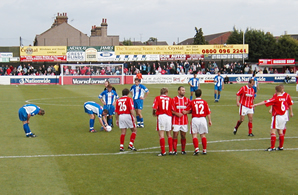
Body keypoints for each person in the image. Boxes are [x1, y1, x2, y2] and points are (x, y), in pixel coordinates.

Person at [253, 85, 293, 151]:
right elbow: (286, 106)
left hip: (277, 116)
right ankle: (281, 147)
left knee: (273, 131)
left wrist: (256, 104)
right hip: (283, 116)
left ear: (276, 91)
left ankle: (272, 147)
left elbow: (266, 102)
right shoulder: (284, 98)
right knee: (280, 131)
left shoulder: (276, 98)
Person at [183, 89, 212, 155]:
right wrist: (210, 120)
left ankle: (196, 149)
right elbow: (208, 112)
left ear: (195, 95)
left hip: (195, 119)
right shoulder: (204, 102)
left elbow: (187, 110)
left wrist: (186, 112)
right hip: (203, 119)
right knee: (203, 135)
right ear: (201, 95)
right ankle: (204, 150)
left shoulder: (192, 102)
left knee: (194, 135)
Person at [152, 87, 174, 156]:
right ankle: (170, 151)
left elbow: (154, 108)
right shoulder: (170, 99)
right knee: (169, 134)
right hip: (169, 117)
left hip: (161, 116)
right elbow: (172, 109)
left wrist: (154, 113)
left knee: (161, 134)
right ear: (166, 93)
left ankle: (163, 152)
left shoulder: (157, 98)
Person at [172, 86, 191, 155]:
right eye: (182, 90)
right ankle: (175, 150)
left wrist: (186, 112)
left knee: (183, 135)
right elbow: (170, 110)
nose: (184, 91)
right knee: (175, 135)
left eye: (184, 90)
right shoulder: (173, 100)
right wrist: (176, 113)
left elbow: (191, 110)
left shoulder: (187, 100)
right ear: (178, 91)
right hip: (175, 121)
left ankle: (183, 150)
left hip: (184, 121)